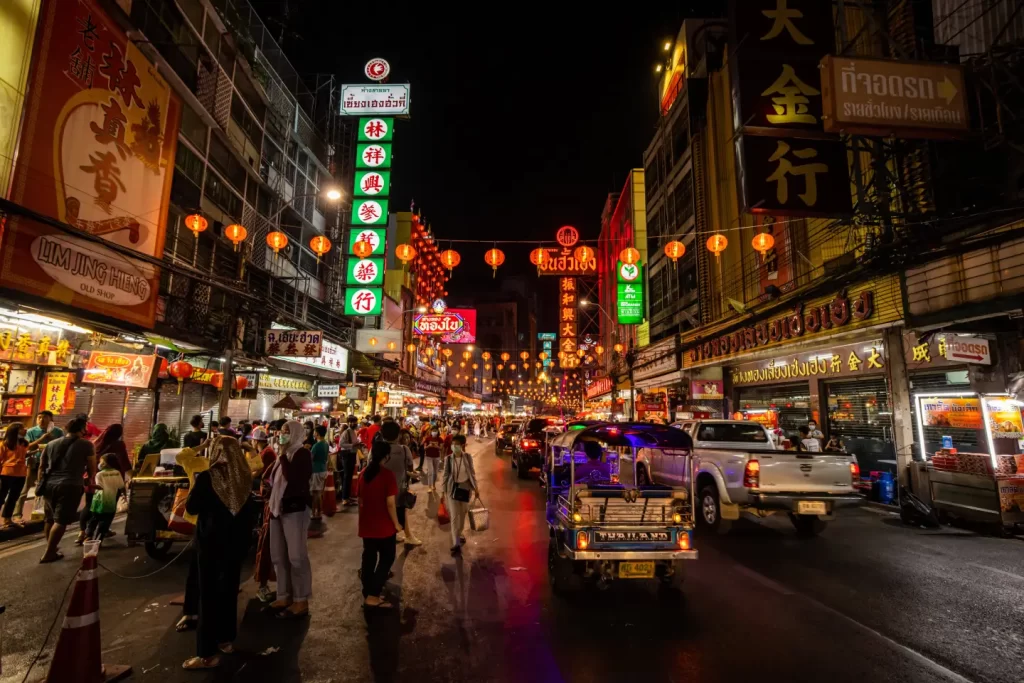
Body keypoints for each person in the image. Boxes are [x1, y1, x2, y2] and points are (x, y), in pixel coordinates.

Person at [181, 437, 255, 670]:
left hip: (211, 543)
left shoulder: (207, 477)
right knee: (229, 591)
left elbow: (191, 507)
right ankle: (226, 640)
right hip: (236, 544)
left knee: (209, 595)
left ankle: (207, 654)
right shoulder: (244, 477)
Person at [267, 420, 313, 619]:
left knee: (296, 556)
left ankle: (301, 599)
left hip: (295, 510)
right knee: (278, 555)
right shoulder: (281, 456)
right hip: (277, 509)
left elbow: (294, 478)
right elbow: (273, 479)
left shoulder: (302, 454)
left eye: (286, 431)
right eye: (281, 431)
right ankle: (283, 595)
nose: (282, 434)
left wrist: (283, 455)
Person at [39, 418, 96, 563]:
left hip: (49, 485)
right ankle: (49, 552)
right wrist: (90, 479)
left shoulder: (51, 444)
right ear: (82, 429)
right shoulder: (86, 445)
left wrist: (41, 482)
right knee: (61, 520)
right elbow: (91, 466)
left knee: (50, 518)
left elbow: (42, 466)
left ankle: (52, 547)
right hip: (70, 485)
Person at [357, 441, 403, 609]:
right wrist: (397, 524)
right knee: (387, 557)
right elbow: (390, 504)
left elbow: (360, 500)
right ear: (386, 456)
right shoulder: (387, 475)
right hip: (383, 525)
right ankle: (374, 594)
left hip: (367, 524)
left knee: (368, 558)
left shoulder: (363, 474)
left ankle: (367, 591)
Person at [14, 411, 64, 521]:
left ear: (51, 420)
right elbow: (27, 447)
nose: (41, 420)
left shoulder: (58, 432)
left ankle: (44, 514)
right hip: (34, 463)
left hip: (50, 465)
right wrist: (43, 438)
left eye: (45, 417)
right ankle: (17, 514)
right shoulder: (31, 431)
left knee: (47, 490)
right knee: (24, 489)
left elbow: (63, 447)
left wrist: (51, 439)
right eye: (39, 417)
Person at [380, 421, 420, 546]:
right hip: (398, 488)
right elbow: (409, 468)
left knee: (385, 512)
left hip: (380, 488)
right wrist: (412, 474)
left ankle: (393, 533)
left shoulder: (377, 449)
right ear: (398, 435)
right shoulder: (404, 449)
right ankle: (407, 535)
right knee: (401, 512)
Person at [441, 434, 479, 556]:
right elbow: (445, 476)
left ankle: (459, 533)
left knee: (462, 517)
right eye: (453, 444)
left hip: (465, 490)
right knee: (454, 517)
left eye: (456, 445)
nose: (454, 447)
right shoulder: (448, 459)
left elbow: (472, 474)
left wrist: (476, 488)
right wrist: (442, 491)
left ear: (462, 446)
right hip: (452, 490)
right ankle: (456, 542)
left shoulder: (468, 458)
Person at [85, 454, 125, 543]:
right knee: (106, 521)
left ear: (106, 463)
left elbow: (100, 487)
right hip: (111, 501)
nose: (99, 464)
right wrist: (125, 496)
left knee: (94, 518)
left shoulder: (99, 474)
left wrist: (89, 484)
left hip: (98, 501)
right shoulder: (117, 472)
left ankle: (88, 535)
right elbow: (122, 487)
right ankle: (98, 539)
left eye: (101, 462)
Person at [0, 424, 29, 528]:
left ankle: (7, 519)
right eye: (22, 428)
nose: (25, 429)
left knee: (13, 497)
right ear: (15, 431)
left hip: (21, 474)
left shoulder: (24, 443)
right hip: (6, 473)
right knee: (1, 497)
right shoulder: (4, 444)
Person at [336, 415, 360, 507]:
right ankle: (344, 498)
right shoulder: (346, 432)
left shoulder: (353, 432)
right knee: (346, 476)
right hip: (347, 456)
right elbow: (341, 444)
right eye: (353, 422)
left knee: (349, 476)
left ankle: (348, 496)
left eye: (355, 422)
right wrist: (352, 445)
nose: (355, 423)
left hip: (352, 454)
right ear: (349, 422)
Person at [309, 425, 330, 524]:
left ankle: (314, 513)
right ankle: (319, 512)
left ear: (317, 433)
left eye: (314, 432)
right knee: (319, 493)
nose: (313, 433)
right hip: (323, 470)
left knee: (315, 494)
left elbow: (310, 458)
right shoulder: (325, 444)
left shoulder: (316, 446)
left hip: (316, 471)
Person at [421, 425, 443, 493]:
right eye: (433, 431)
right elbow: (424, 448)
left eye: (435, 431)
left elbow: (441, 448)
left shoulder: (440, 439)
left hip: (436, 457)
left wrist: (437, 446)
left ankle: (433, 485)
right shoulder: (427, 439)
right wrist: (428, 446)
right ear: (431, 431)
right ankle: (429, 487)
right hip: (429, 456)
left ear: (437, 431)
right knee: (430, 472)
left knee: (435, 472)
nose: (434, 432)